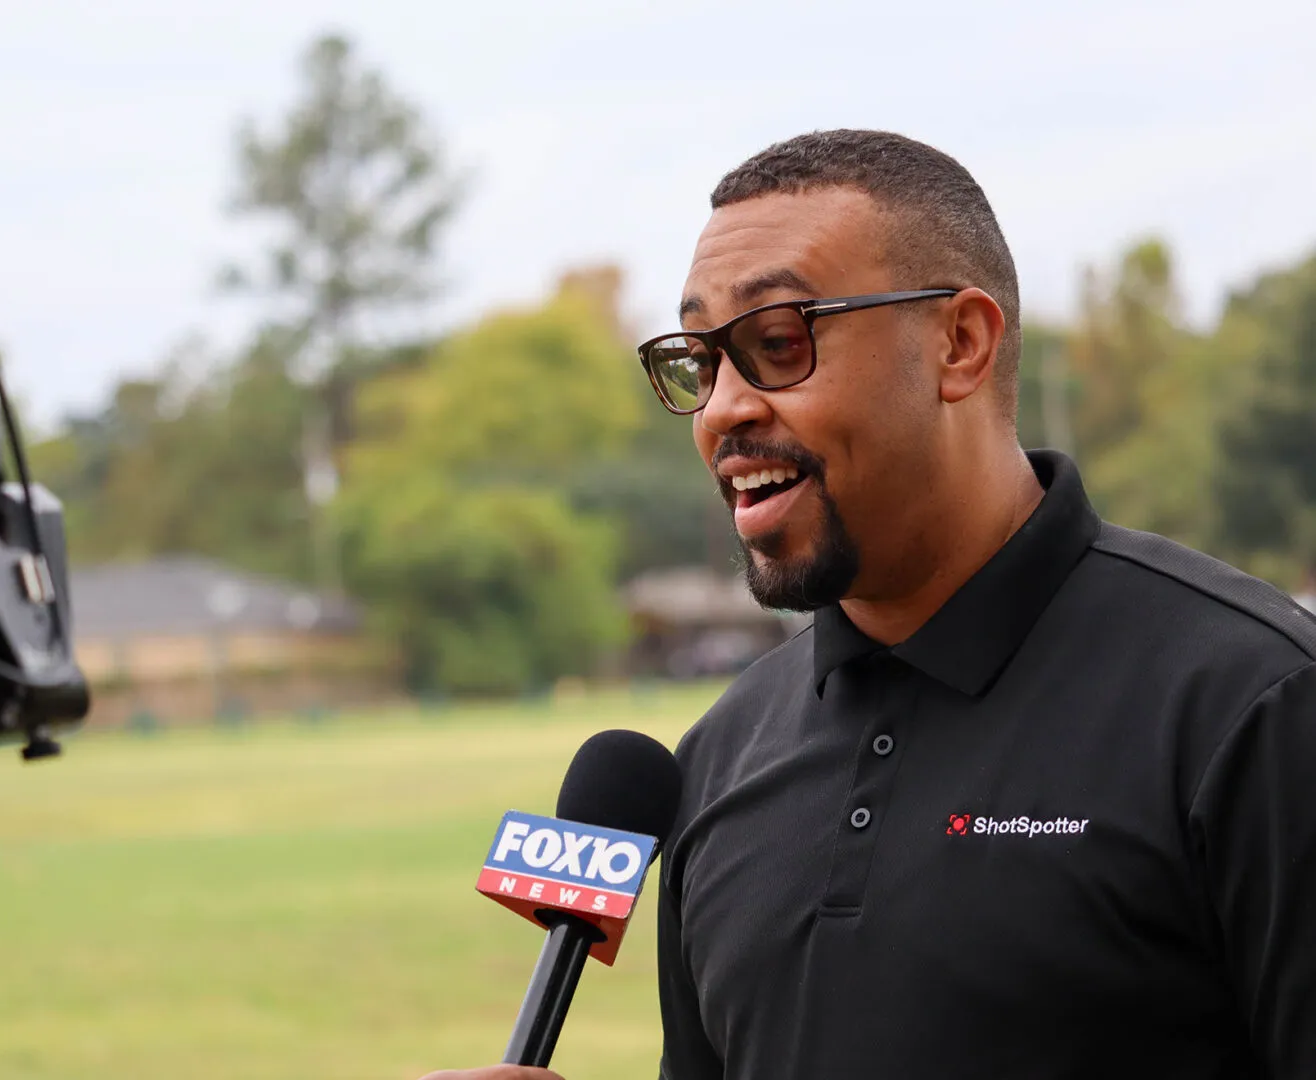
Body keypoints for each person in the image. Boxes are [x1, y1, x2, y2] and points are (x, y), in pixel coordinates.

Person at [418, 129, 1316, 1080]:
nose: (722, 408)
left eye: (776, 343)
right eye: (699, 361)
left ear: (959, 344)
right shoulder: (718, 763)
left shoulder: (1254, 706)